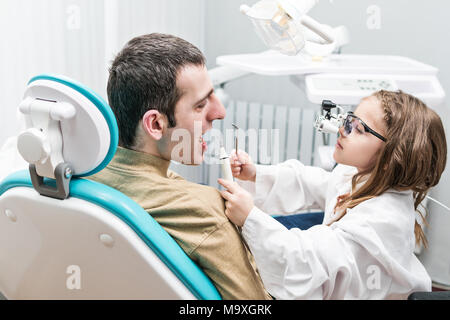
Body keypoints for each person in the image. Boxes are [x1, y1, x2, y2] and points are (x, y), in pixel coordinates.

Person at [90, 33, 271, 300]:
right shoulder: (205, 212)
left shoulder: (82, 178)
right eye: (200, 105)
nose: (219, 112)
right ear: (156, 124)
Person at [218, 90, 447, 299]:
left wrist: (250, 218)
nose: (342, 130)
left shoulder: (381, 220)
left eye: (357, 128)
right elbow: (312, 182)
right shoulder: (359, 174)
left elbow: (303, 264)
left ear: (390, 158)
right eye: (349, 120)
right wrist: (256, 173)